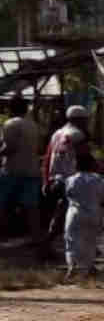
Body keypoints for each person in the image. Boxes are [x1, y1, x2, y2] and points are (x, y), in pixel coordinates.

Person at [42, 105, 90, 249]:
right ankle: (50, 244)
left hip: (55, 180)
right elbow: (86, 158)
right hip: (70, 181)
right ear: (79, 120)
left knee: (61, 213)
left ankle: (50, 244)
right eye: (85, 120)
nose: (86, 123)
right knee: (70, 214)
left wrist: (45, 181)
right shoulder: (78, 135)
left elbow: (47, 157)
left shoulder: (56, 133)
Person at [0, 97, 43, 249]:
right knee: (32, 207)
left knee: (3, 205)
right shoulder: (33, 125)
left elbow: (10, 148)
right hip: (32, 170)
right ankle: (36, 238)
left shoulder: (10, 124)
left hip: (12, 170)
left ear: (10, 109)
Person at [62, 151, 104, 282]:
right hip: (94, 213)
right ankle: (88, 268)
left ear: (76, 165)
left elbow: (68, 194)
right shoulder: (98, 179)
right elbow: (102, 196)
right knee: (90, 241)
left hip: (76, 213)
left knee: (72, 241)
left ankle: (72, 268)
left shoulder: (70, 180)